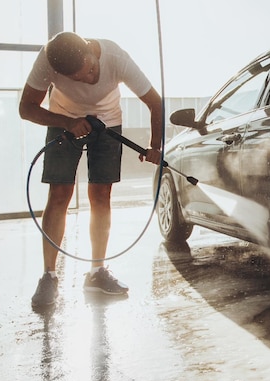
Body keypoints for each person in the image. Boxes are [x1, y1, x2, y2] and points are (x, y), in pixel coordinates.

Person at [19, 32, 163, 307]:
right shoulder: (47, 60)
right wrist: (66, 122)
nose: (88, 80)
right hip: (63, 120)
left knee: (100, 196)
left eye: (90, 71)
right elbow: (26, 108)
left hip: (108, 123)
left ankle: (97, 272)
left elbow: (155, 102)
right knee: (59, 194)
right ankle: (48, 276)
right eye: (78, 79)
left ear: (92, 52)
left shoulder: (116, 57)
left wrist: (154, 145)